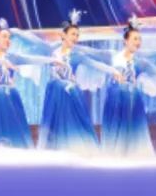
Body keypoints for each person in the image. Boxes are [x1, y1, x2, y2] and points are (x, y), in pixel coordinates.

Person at [36, 9, 119, 153]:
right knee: (54, 122)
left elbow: (95, 64)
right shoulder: (53, 52)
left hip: (70, 92)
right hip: (54, 92)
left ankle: (77, 149)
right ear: (63, 35)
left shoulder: (77, 55)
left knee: (75, 121)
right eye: (73, 34)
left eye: (77, 35)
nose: (75, 38)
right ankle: (55, 150)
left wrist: (113, 71)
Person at [101, 17, 156, 157]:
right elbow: (94, 59)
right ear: (125, 41)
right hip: (114, 99)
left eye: (139, 39)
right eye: (135, 39)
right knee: (115, 128)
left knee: (131, 128)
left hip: (132, 98)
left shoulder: (139, 62)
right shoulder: (113, 57)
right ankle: (114, 155)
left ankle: (131, 155)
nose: (138, 42)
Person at [0, 18, 60, 148]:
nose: (8, 40)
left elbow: (32, 59)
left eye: (9, 37)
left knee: (13, 128)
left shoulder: (13, 57)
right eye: (4, 37)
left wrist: (51, 60)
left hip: (10, 97)